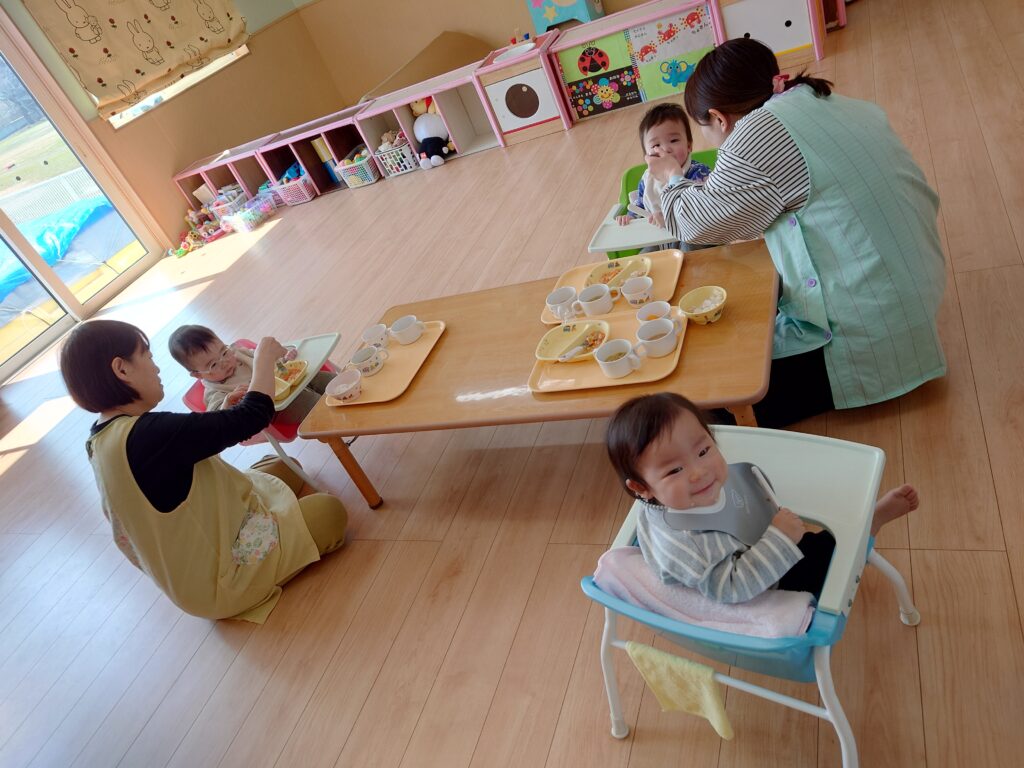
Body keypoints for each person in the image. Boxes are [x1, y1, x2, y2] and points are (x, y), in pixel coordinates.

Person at [647, 39, 947, 428]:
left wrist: (672, 177)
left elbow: (698, 224)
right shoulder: (824, 100)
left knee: (710, 398)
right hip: (914, 291)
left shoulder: (756, 132)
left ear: (719, 118)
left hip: (871, 330)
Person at [60, 319, 348, 622]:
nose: (156, 369)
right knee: (329, 512)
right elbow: (252, 417)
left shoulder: (102, 438)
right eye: (148, 357)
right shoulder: (148, 435)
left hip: (199, 549)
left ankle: (267, 519)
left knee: (282, 467)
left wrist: (223, 413)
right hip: (222, 577)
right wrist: (263, 359)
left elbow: (185, 454)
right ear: (122, 369)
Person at [605, 393, 917, 603]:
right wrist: (779, 539)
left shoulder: (671, 495)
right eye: (675, 470)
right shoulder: (691, 545)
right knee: (823, 556)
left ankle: (828, 534)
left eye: (703, 451)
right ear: (642, 488)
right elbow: (731, 588)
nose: (699, 472)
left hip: (747, 538)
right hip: (761, 583)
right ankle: (871, 524)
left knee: (796, 526)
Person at [168, 324, 334, 424]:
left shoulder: (240, 353)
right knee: (316, 405)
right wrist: (228, 402)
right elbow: (219, 418)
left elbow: (270, 359)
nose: (224, 361)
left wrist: (283, 357)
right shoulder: (214, 392)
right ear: (198, 375)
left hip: (290, 379)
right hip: (277, 408)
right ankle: (337, 422)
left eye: (224, 352)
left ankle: (345, 391)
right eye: (213, 364)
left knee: (327, 380)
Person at [616, 103, 711, 231]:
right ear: (646, 155)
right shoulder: (647, 179)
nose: (666, 149)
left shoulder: (699, 172)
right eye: (656, 145)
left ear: (688, 145)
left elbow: (705, 207)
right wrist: (630, 217)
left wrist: (669, 216)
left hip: (693, 234)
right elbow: (640, 205)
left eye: (673, 140)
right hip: (657, 235)